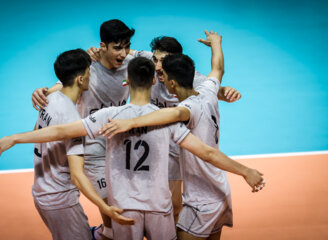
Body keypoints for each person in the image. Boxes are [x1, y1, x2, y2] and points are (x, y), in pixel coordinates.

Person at [0, 57, 264, 240]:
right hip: (159, 208)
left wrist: (14, 137)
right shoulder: (166, 118)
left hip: (122, 208)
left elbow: (60, 131)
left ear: (126, 81)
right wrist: (246, 171)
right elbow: (208, 152)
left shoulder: (109, 117)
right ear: (154, 81)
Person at [100, 31, 265, 239]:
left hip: (200, 197)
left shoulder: (189, 106)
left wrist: (131, 121)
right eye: (155, 60)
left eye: (163, 65)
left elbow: (176, 115)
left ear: (173, 82)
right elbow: (218, 69)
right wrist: (216, 43)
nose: (157, 67)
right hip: (219, 188)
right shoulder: (206, 91)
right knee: (173, 204)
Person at [0, 49, 134, 240]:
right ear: (81, 80)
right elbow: (77, 175)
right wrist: (104, 206)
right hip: (61, 200)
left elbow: (37, 134)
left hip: (41, 192)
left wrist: (15, 138)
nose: (92, 78)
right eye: (89, 73)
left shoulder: (49, 100)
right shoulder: (72, 120)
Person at [31, 19, 137, 239]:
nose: (123, 53)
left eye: (126, 46)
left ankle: (104, 233)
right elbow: (65, 85)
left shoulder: (131, 62)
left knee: (123, 207)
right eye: (117, 47)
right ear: (102, 46)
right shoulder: (89, 68)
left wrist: (217, 90)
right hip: (90, 149)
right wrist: (45, 93)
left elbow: (161, 61)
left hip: (117, 143)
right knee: (111, 204)